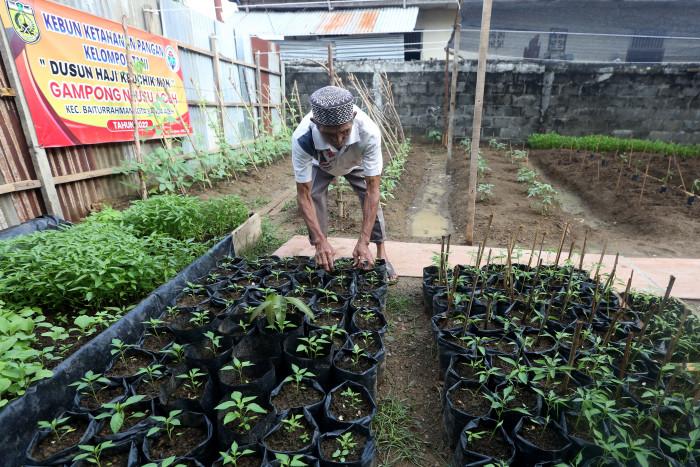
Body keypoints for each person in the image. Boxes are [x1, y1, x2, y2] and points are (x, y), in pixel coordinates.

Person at [291, 85, 398, 283]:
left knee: (369, 195)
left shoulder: (369, 133)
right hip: (321, 163)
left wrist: (363, 241)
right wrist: (320, 241)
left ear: (354, 117)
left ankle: (380, 250)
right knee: (314, 196)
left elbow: (373, 190)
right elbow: (303, 195)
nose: (338, 140)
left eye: (344, 132)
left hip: (354, 162)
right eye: (329, 135)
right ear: (315, 124)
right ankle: (321, 250)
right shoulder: (302, 138)